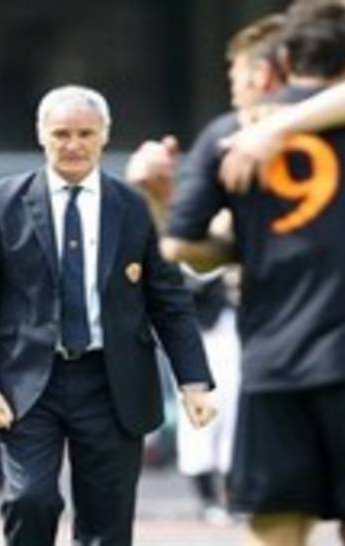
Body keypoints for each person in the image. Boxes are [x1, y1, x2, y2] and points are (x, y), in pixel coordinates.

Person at [166, 2, 345, 545]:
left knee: (279, 532)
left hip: (275, 368)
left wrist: (239, 245)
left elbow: (184, 246)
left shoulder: (230, 133)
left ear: (285, 57)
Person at [0, 84, 216, 546]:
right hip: (28, 382)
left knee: (107, 518)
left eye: (85, 134)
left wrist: (193, 380)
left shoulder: (134, 207)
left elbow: (169, 301)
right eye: (61, 134)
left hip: (113, 383)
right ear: (41, 135)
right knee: (31, 500)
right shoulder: (0, 202)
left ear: (104, 136)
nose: (73, 145)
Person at [125, 139, 241, 525]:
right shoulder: (144, 213)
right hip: (182, 327)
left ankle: (233, 494)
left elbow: (208, 259)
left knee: (232, 411)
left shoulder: (220, 214)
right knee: (197, 417)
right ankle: (208, 497)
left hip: (227, 325)